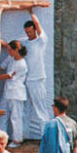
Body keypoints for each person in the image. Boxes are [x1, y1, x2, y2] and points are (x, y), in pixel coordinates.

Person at [21, 12, 51, 140]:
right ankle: (23, 136)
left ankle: (45, 138)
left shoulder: (41, 41)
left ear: (34, 31)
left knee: (41, 110)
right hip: (25, 80)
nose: (29, 34)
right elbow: (12, 46)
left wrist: (30, 11)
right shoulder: (25, 43)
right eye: (27, 32)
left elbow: (38, 25)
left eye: (31, 31)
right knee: (25, 110)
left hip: (37, 79)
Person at [0, 40, 28, 146]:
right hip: (7, 91)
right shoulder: (11, 58)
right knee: (1, 114)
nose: (8, 51)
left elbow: (7, 76)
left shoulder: (21, 64)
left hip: (16, 93)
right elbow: (2, 67)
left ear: (17, 50)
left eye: (10, 50)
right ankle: (0, 138)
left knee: (16, 116)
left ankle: (17, 139)